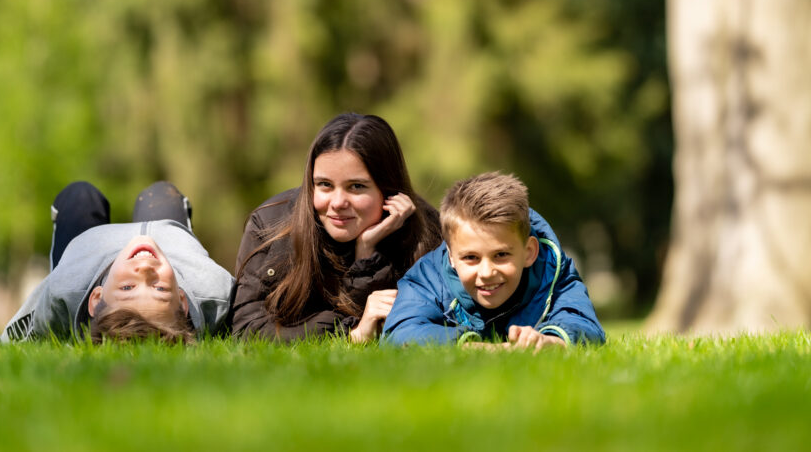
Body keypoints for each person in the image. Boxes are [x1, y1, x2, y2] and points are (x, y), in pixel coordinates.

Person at [231, 113, 442, 342]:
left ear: (388, 188)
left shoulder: (427, 230)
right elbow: (245, 328)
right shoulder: (270, 225)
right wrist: (349, 335)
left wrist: (367, 253)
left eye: (356, 186)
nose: (338, 203)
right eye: (324, 185)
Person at [0, 181, 235, 344]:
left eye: (127, 287)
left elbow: (29, 324)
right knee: (161, 192)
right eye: (159, 289)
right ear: (183, 301)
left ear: (96, 299)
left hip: (87, 251)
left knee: (80, 195)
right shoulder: (214, 291)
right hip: (169, 236)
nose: (145, 270)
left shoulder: (66, 288)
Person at [382, 172, 605, 350]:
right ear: (451, 255)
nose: (486, 272)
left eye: (501, 255)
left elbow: (584, 323)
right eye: (471, 258)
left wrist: (551, 341)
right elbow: (399, 333)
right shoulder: (427, 276)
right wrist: (477, 348)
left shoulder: (553, 270)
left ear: (529, 252)